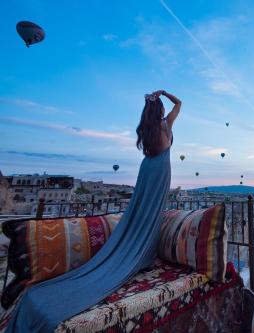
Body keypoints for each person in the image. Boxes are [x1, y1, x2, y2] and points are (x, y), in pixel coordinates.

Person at [5, 90, 181, 332]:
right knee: (153, 212)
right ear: (160, 110)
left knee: (140, 211)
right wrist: (164, 93)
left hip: (147, 170)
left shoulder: (146, 129)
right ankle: (145, 254)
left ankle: (138, 250)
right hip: (161, 170)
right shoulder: (165, 124)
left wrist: (153, 97)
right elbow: (179, 103)